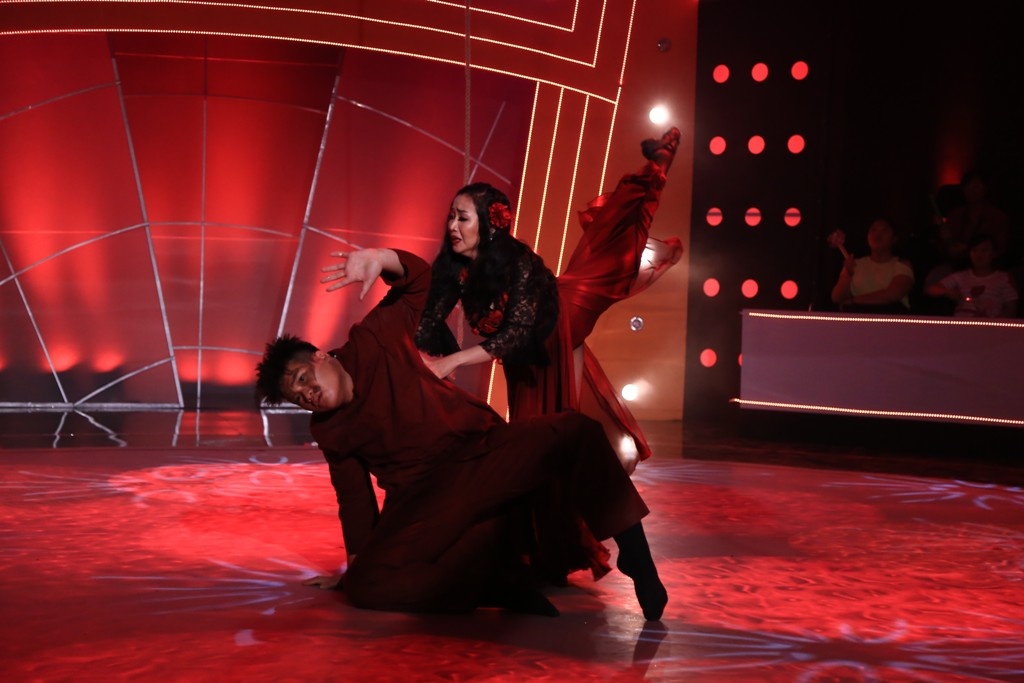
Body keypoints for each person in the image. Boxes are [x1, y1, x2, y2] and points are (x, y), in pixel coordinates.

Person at [254, 247, 668, 621]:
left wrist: (381, 259)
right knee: (366, 585)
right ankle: (491, 586)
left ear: (320, 356)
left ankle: (636, 554)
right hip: (426, 501)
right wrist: (357, 564)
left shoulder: (373, 338)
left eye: (303, 379)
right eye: (299, 397)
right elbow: (354, 499)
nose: (307, 394)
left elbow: (418, 281)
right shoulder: (327, 428)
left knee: (575, 430)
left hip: (480, 454)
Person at [410, 128, 683, 474]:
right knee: (546, 436)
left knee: (615, 238)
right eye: (451, 216)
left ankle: (658, 164)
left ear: (489, 225)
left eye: (463, 218)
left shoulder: (517, 259)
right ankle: (593, 476)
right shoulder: (454, 268)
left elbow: (515, 333)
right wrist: (418, 353)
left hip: (564, 312)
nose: (452, 225)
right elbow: (430, 317)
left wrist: (451, 362)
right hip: (528, 351)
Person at [830, 218, 915, 313]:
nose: (878, 234)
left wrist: (854, 301)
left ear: (894, 238)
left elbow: (893, 295)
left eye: (884, 230)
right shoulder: (855, 264)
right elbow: (836, 298)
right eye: (873, 230)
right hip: (858, 319)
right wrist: (848, 274)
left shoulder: (902, 264)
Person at [925, 233, 1019, 318]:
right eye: (974, 250)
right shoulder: (960, 276)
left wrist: (994, 324)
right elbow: (931, 289)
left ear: (993, 254)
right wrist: (947, 291)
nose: (979, 255)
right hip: (961, 324)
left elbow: (1011, 309)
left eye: (984, 250)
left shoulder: (1004, 278)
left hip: (989, 326)